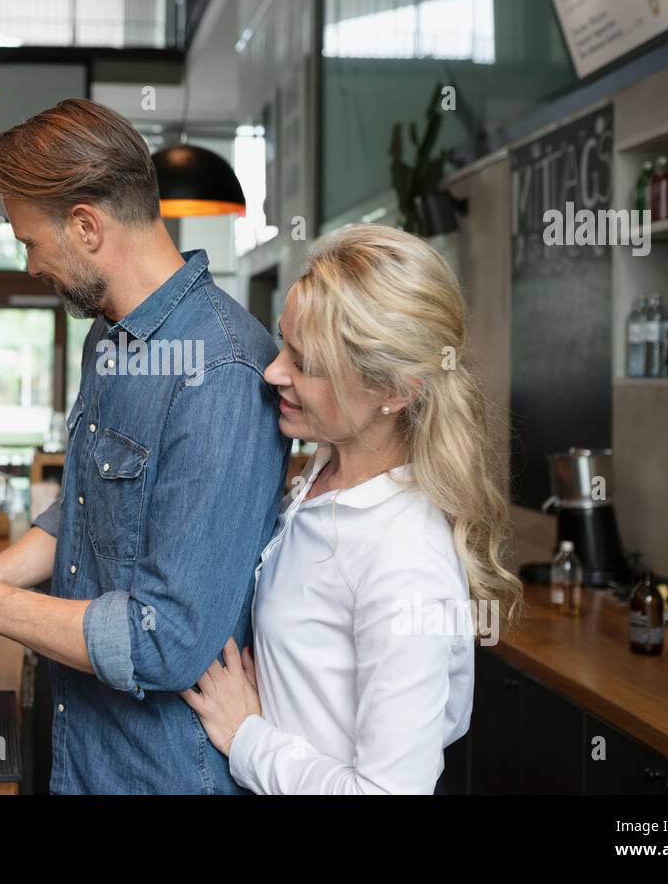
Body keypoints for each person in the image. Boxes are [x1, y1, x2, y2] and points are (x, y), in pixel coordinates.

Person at [0, 98, 290, 794]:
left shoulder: (222, 373)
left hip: (165, 776)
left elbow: (166, 640)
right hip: (85, 752)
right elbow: (83, 516)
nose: (29, 264)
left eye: (29, 241)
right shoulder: (110, 339)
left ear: (86, 226)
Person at [180, 224, 523, 794]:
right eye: (282, 342)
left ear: (396, 390)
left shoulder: (404, 557)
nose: (273, 372)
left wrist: (247, 736)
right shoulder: (318, 477)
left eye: (307, 363)